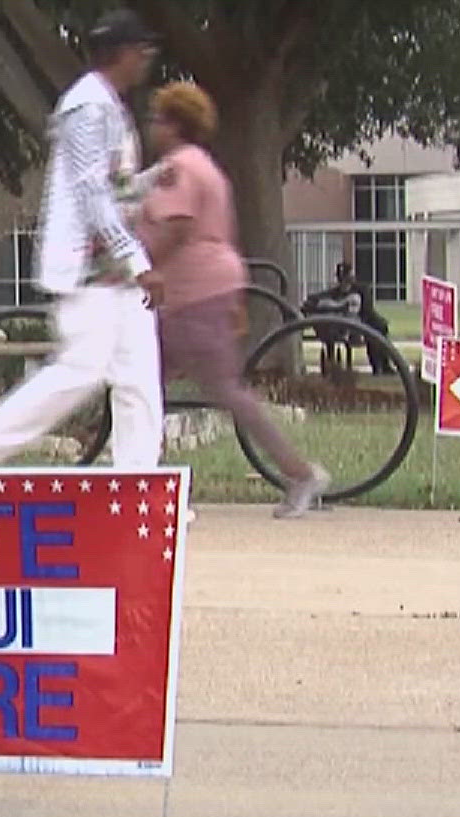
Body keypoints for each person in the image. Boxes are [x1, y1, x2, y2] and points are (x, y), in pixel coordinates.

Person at [0, 9, 166, 470]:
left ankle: (140, 484)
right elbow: (90, 190)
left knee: (139, 380)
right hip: (89, 271)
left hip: (115, 274)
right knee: (83, 370)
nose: (146, 60)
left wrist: (156, 179)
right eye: (141, 51)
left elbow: (116, 187)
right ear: (119, 54)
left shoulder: (109, 105)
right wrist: (136, 259)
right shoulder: (88, 106)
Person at [138, 82, 329, 517]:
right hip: (203, 290)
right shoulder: (198, 166)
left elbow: (177, 227)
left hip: (193, 293)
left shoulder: (182, 168)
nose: (151, 126)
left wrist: (134, 261)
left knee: (217, 388)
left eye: (158, 118)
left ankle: (300, 473)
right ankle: (152, 482)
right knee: (148, 384)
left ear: (175, 123)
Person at [304, 262, 394, 375]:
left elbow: (368, 311)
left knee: (378, 329)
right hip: (345, 327)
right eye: (342, 278)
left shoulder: (361, 291)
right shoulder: (334, 293)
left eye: (348, 277)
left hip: (365, 322)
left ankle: (381, 366)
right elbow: (314, 298)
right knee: (374, 332)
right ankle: (379, 367)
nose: (345, 281)